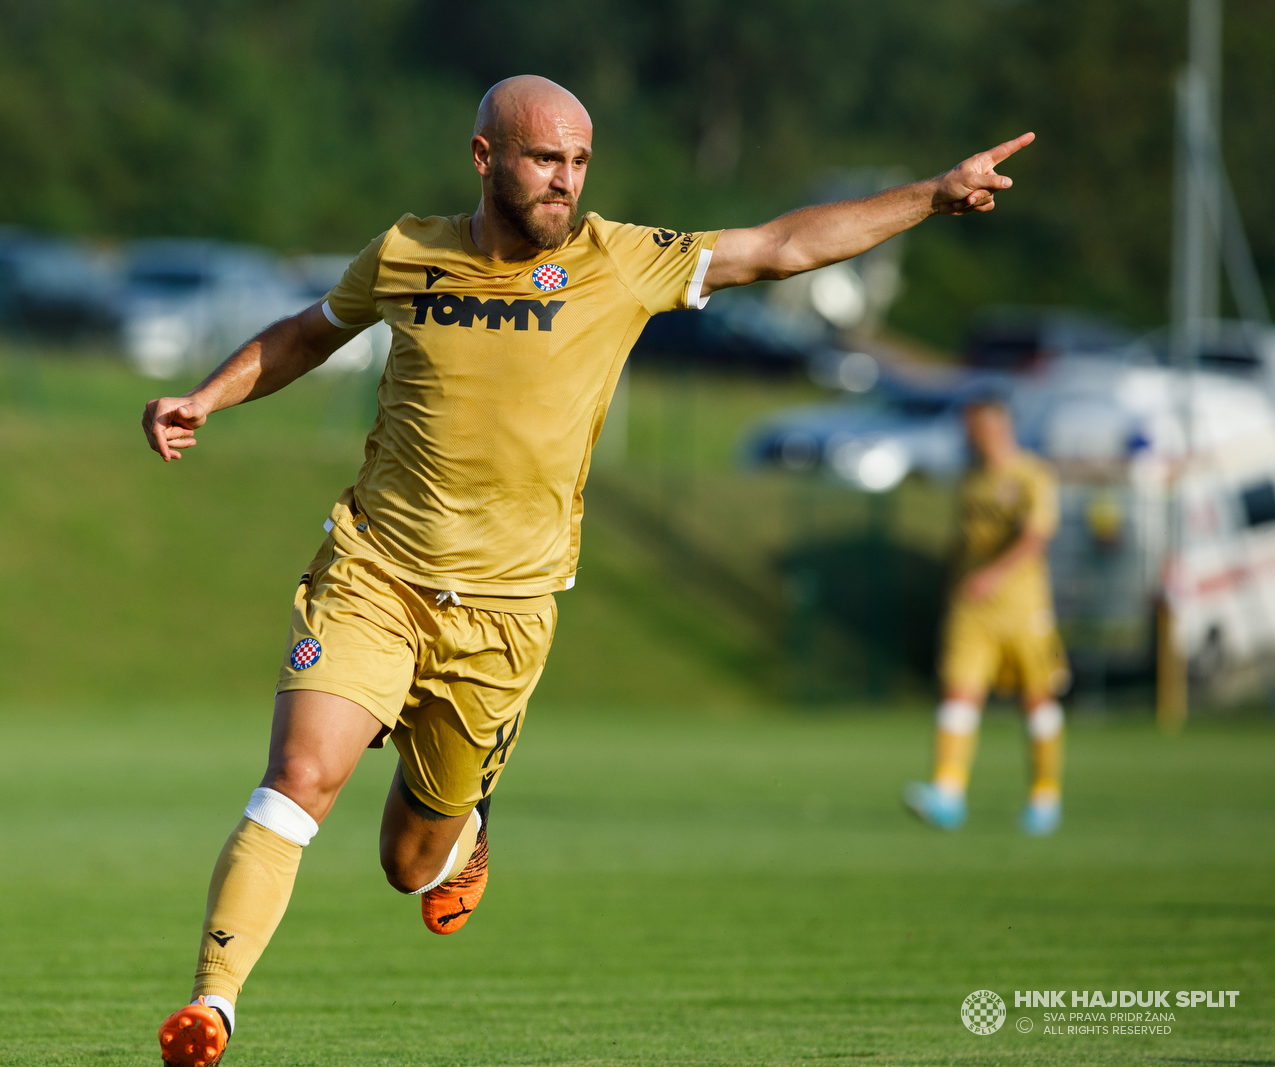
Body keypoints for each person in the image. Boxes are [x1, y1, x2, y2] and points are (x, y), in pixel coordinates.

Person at [142, 74, 1033, 1066]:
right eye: (543, 160)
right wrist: (206, 397)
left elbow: (782, 245)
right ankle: (212, 1004)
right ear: (486, 159)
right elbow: (309, 331)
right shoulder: (406, 253)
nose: (565, 182)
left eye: (577, 163)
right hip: (374, 574)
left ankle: (465, 824)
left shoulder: (622, 262)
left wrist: (929, 195)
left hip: (507, 613)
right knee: (300, 777)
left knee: (408, 862)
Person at [904, 394, 1068, 837]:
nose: (968, 436)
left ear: (997, 427)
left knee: (1036, 699)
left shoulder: (1032, 475)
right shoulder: (971, 480)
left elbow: (1035, 538)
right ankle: (948, 794)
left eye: (974, 427)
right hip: (971, 608)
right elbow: (962, 543)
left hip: (1022, 607)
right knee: (959, 694)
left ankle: (1044, 796)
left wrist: (994, 576)